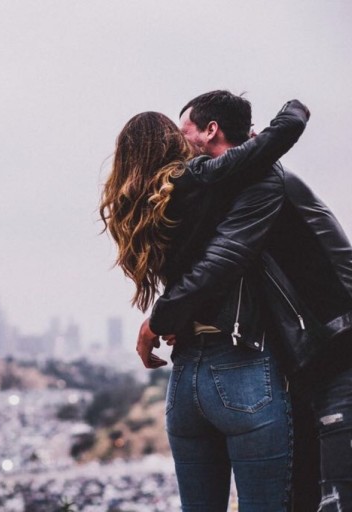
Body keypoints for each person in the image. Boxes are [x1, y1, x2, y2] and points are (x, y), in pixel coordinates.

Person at [140, 90, 352, 511]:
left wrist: (158, 319)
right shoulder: (237, 185)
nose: (180, 149)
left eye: (185, 133)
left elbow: (221, 262)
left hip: (337, 351)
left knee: (336, 498)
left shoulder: (262, 180)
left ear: (211, 131)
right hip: (307, 359)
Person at [101, 98, 310, 511]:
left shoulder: (143, 212)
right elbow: (267, 148)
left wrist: (165, 318)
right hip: (242, 367)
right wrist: (292, 112)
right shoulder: (196, 179)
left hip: (185, 380)